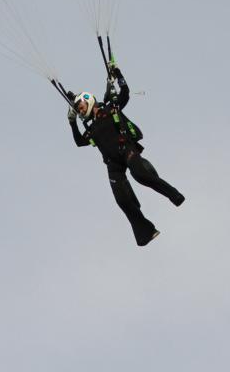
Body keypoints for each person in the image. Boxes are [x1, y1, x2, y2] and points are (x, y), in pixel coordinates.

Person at [68, 63, 185, 246]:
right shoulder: (91, 129)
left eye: (81, 106)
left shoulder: (111, 108)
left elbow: (125, 93)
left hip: (126, 150)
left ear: (88, 99)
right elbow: (79, 142)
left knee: (141, 175)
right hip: (113, 165)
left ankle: (174, 195)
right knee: (122, 200)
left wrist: (119, 74)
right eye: (78, 110)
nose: (81, 111)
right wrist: (72, 123)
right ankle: (146, 232)